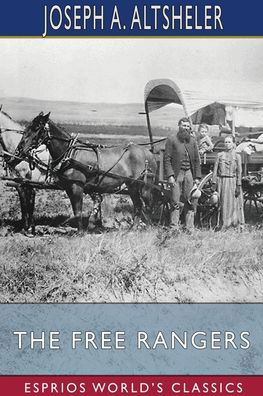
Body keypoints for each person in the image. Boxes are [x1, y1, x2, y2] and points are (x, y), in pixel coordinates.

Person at [164, 117, 201, 230]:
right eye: (183, 125)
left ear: (189, 127)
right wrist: (170, 175)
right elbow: (167, 159)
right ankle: (174, 227)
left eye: (187, 126)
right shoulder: (172, 139)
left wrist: (197, 177)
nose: (185, 128)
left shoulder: (192, 141)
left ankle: (189, 227)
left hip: (189, 173)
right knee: (175, 200)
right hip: (177, 174)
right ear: (179, 126)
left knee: (190, 200)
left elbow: (196, 160)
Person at [212, 135, 244, 230]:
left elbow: (239, 172)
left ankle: (235, 224)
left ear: (233, 144)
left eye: (229, 142)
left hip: (233, 181)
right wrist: (214, 183)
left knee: (234, 203)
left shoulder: (237, 156)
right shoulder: (220, 155)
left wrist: (238, 185)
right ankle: (223, 224)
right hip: (223, 182)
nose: (227, 144)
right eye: (225, 142)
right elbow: (215, 171)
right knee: (223, 203)